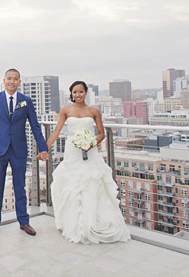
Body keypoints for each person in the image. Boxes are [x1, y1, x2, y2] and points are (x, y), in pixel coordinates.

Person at [41, 80, 130, 244]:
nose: (78, 95)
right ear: (71, 94)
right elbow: (56, 131)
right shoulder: (66, 110)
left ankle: (92, 222)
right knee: (72, 185)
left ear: (86, 93)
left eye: (80, 92)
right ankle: (74, 223)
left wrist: (90, 144)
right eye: (75, 92)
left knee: (92, 183)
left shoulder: (94, 111)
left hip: (91, 151)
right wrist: (45, 148)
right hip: (72, 151)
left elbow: (102, 134)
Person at [0, 68, 49, 237]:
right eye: (9, 79)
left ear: (20, 82)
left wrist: (43, 148)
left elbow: (35, 126)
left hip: (18, 149)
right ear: (4, 80)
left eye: (16, 79)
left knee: (20, 187)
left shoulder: (26, 101)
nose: (12, 82)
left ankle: (24, 222)